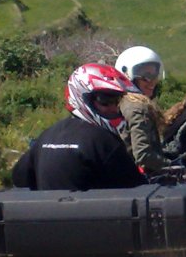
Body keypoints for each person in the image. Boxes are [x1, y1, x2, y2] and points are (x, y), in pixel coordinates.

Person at [12, 63, 146, 190]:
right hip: (94, 213)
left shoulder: (46, 136)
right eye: (105, 100)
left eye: (117, 101)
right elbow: (135, 188)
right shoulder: (105, 142)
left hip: (43, 213)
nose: (113, 108)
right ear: (83, 98)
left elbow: (19, 178)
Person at [115, 45, 169, 174]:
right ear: (127, 75)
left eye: (155, 75)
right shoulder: (138, 107)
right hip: (137, 179)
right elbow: (143, 154)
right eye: (145, 75)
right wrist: (171, 166)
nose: (152, 81)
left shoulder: (121, 102)